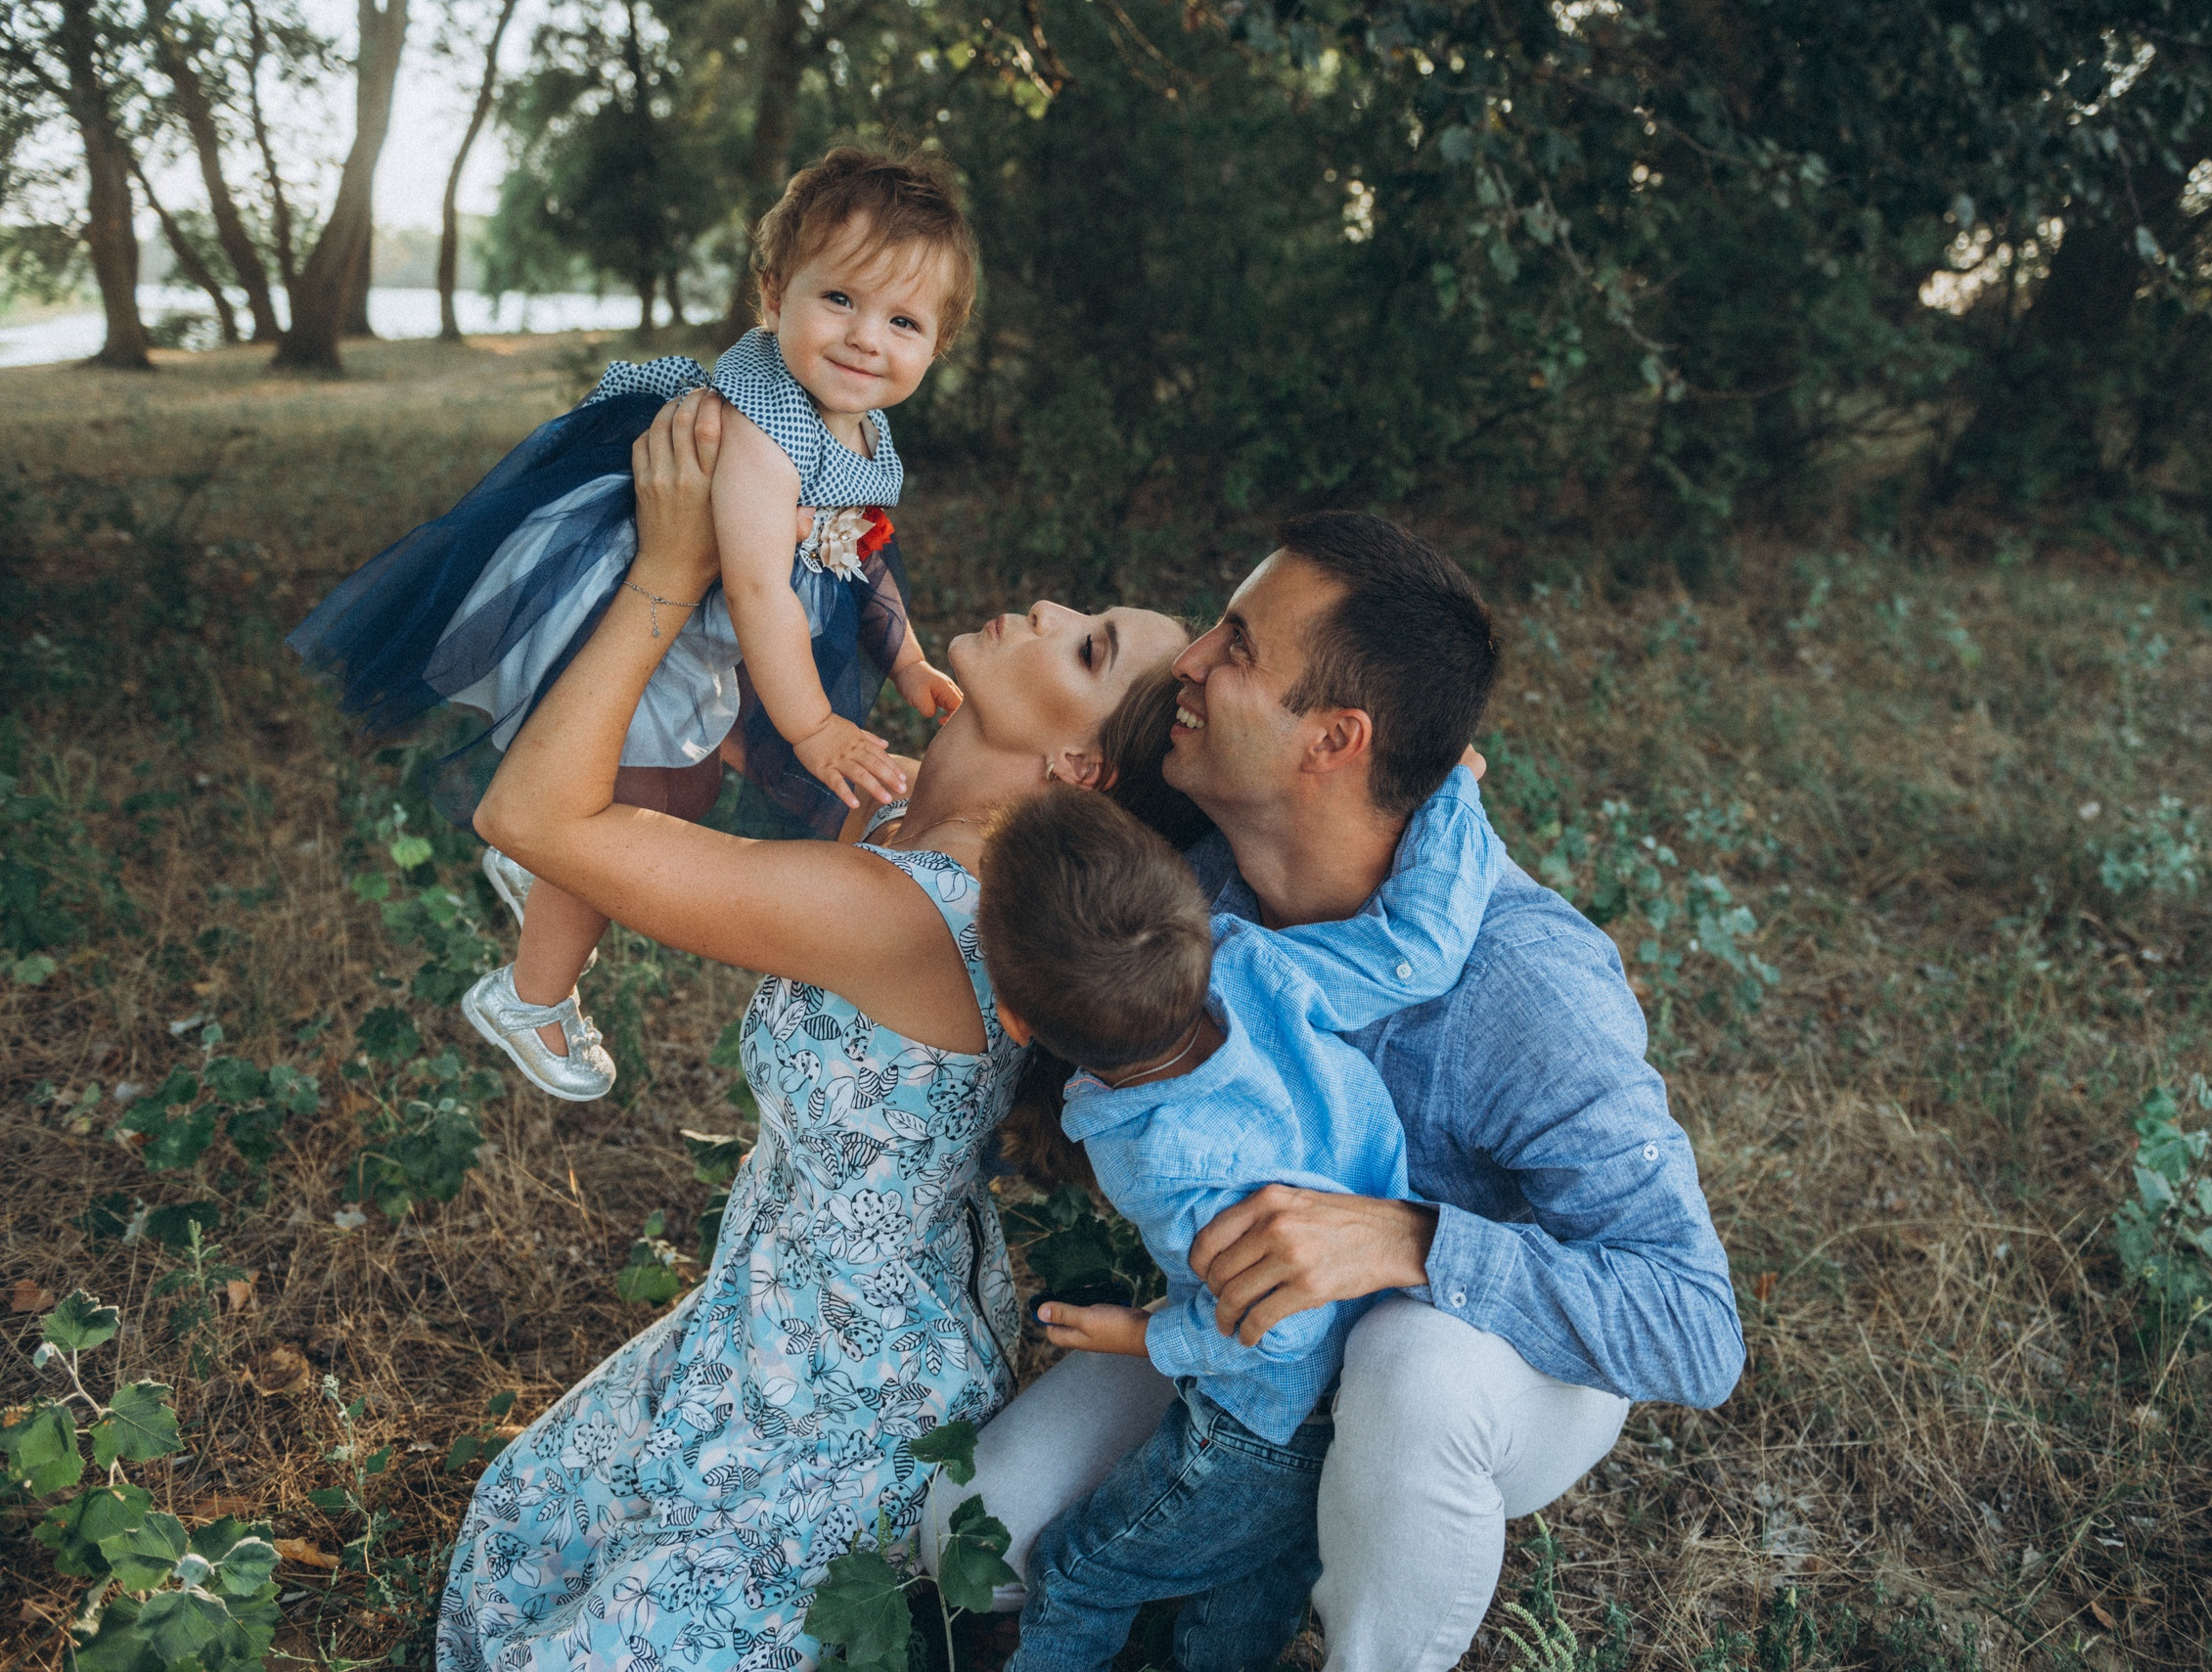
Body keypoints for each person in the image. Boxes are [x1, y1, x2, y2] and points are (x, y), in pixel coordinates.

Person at [432, 389, 1194, 1672]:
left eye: (1087, 649)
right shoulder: (891, 819)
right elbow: (716, 703)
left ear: (1080, 767)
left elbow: (534, 818)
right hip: (766, 1313)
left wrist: (669, 573)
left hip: (848, 1384)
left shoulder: (912, 913)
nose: (1048, 608)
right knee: (525, 1529)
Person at [923, 513, 1747, 1671]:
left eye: (1238, 646)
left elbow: (1694, 1328)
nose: (1191, 659)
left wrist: (1408, 1239)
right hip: (1258, 1349)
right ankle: (1260, 1548)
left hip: (1476, 1354)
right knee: (976, 1528)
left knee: (1410, 1365)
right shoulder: (1187, 886)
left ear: (1334, 738)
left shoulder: (1529, 988)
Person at [289, 146, 974, 1105]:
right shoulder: (761, 431)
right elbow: (758, 589)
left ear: (938, 344)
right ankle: (531, 995)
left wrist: (904, 659)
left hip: (698, 638)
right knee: (642, 798)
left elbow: (858, 547)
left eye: (902, 320)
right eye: (839, 300)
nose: (866, 338)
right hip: (643, 613)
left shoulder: (858, 424)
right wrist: (815, 726)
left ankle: (537, 862)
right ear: (772, 295)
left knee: (676, 789)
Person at [973, 765, 1501, 1672]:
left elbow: (1279, 1323)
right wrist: (1448, 787)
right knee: (1238, 1609)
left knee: (1077, 1570)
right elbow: (1421, 946)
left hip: (1257, 1429)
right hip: (1360, 1367)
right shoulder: (1252, 963)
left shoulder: (1160, 1153)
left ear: (1016, 1020)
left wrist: (1145, 1335)